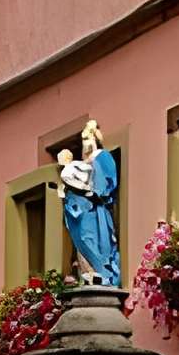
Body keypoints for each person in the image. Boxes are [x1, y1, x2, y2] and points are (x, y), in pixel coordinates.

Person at [58, 119, 122, 284]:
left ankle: (102, 274)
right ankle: (86, 273)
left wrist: (94, 192)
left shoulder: (102, 156)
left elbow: (108, 181)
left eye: (89, 139)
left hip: (94, 210)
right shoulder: (78, 165)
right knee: (82, 241)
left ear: (96, 140)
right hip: (79, 212)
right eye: (84, 140)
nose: (86, 144)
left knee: (93, 239)